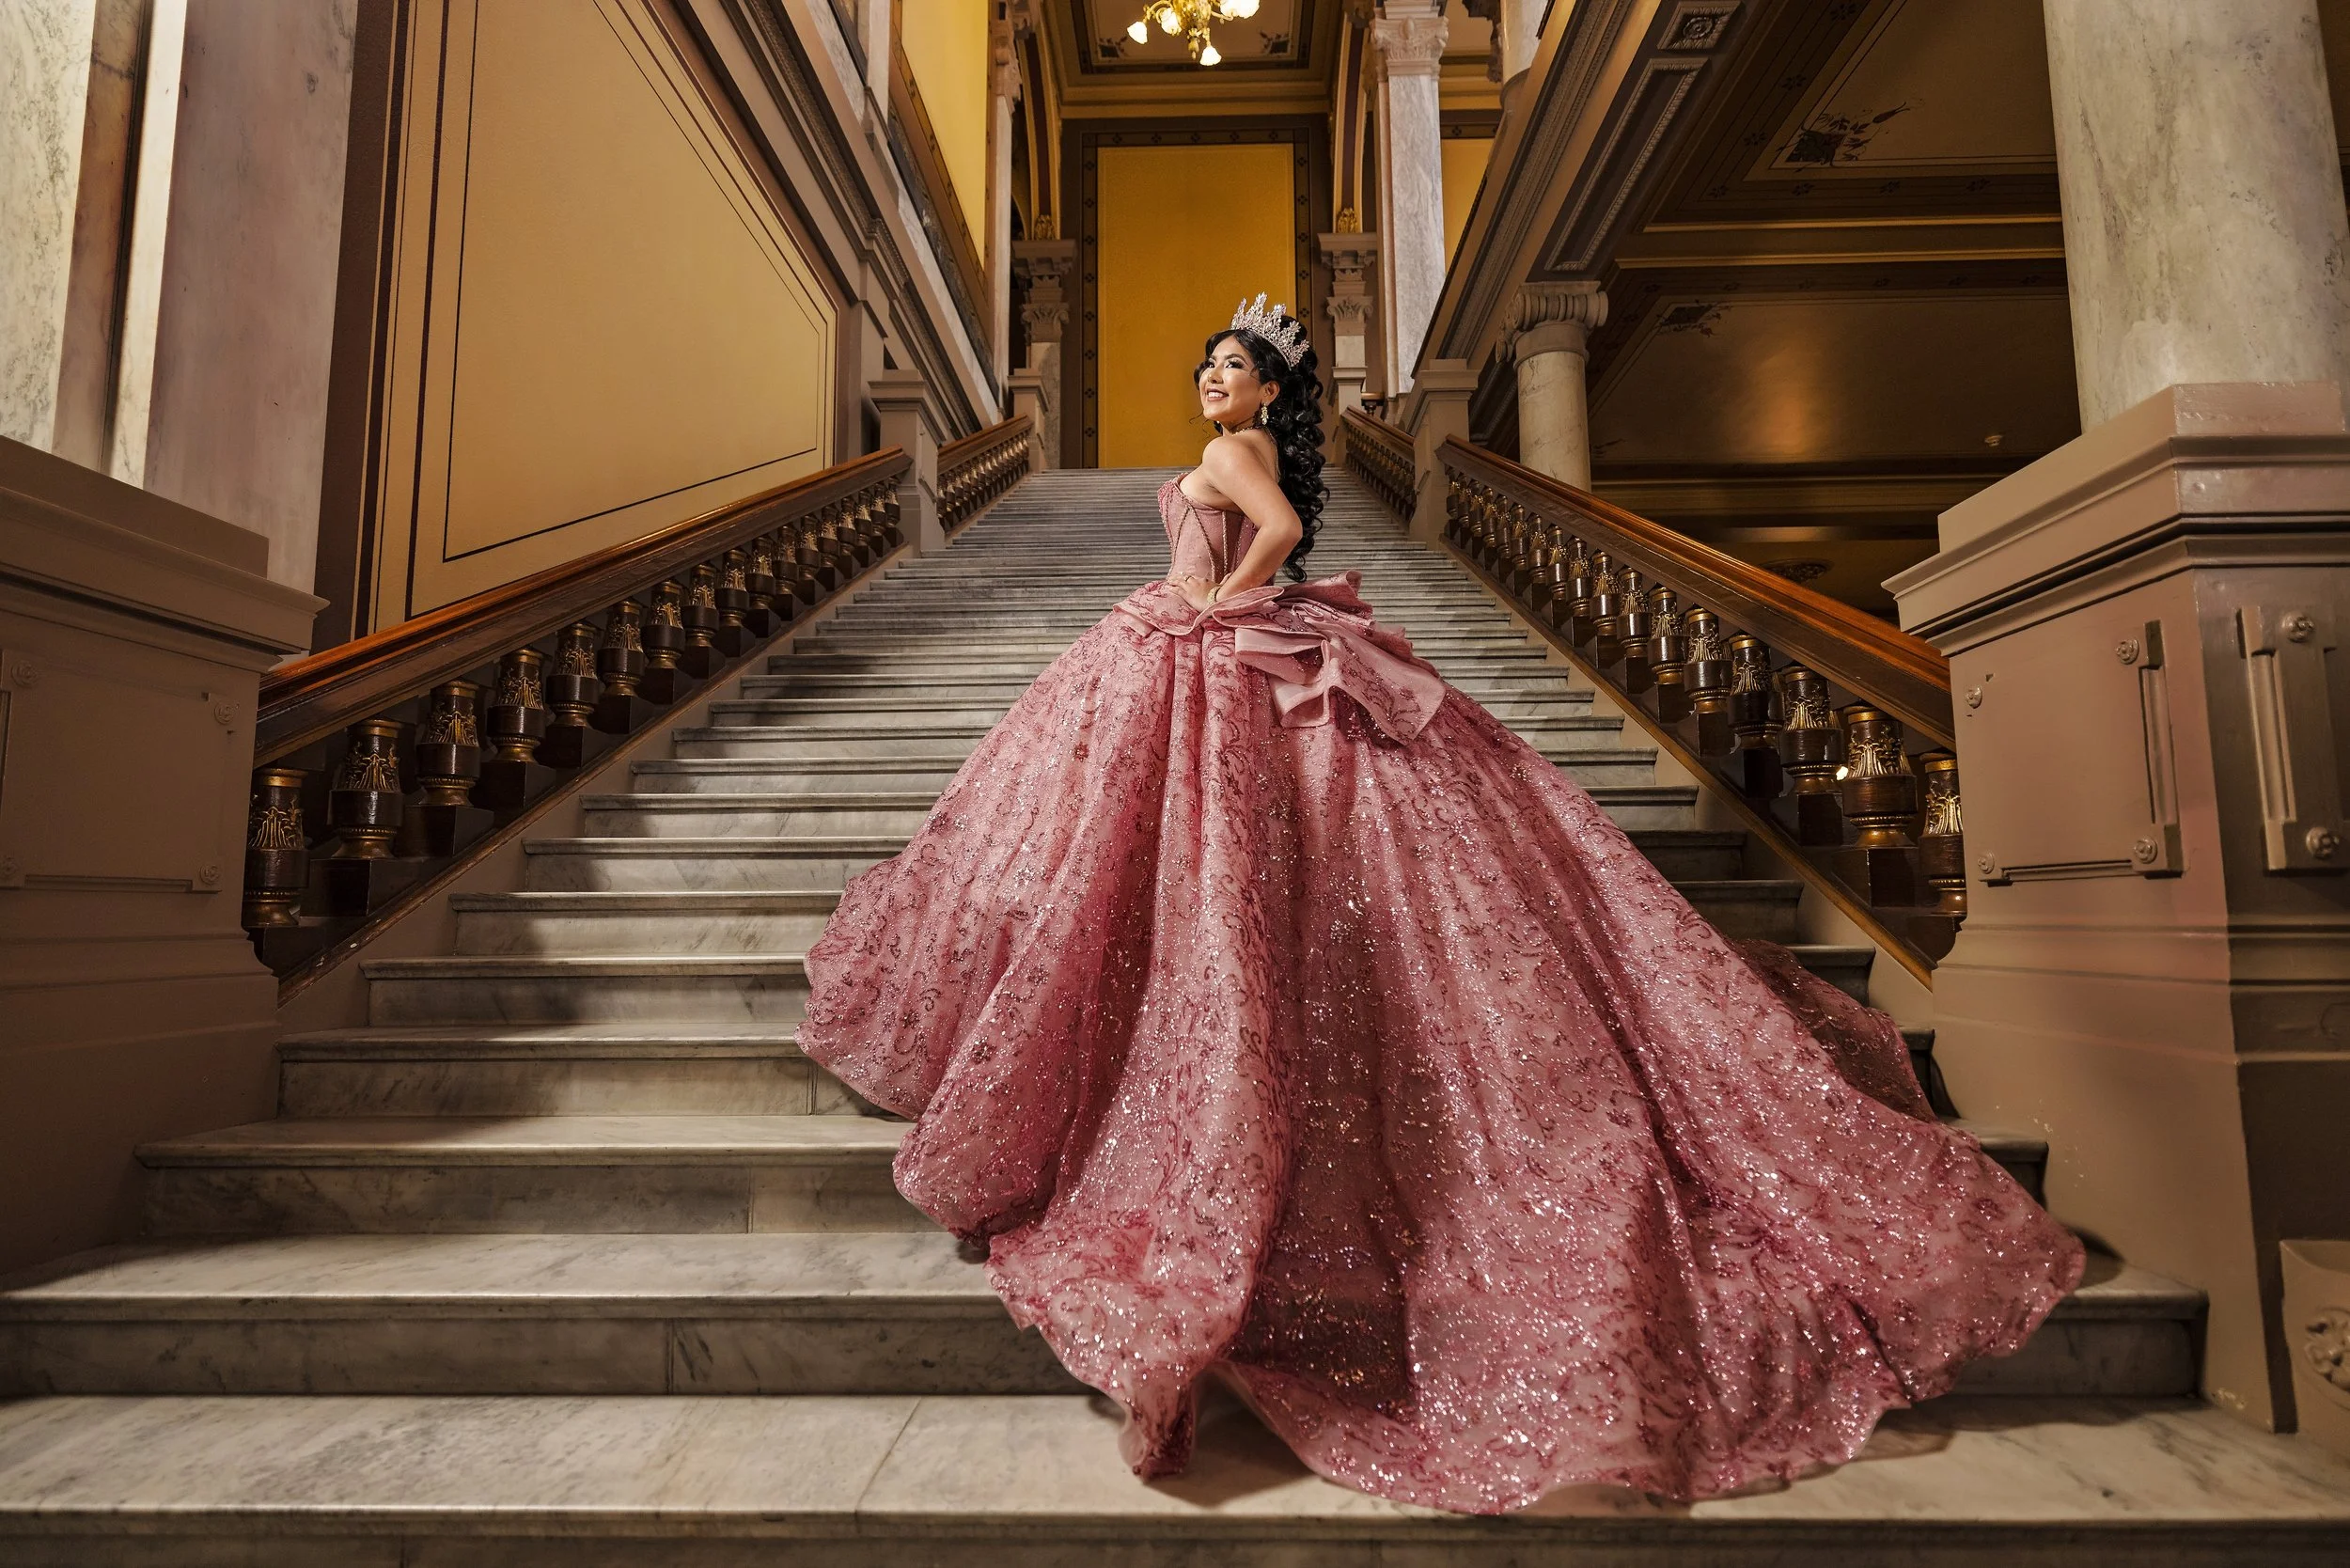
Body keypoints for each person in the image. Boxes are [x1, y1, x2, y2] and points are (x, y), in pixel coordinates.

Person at [799, 296, 2083, 1513]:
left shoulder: (1233, 453)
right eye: (1207, 364)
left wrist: (1205, 606)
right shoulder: (1237, 447)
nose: (1213, 380)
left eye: (1233, 367)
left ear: (1269, 392)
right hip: (1222, 654)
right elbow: (1276, 535)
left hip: (1220, 647)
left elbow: (1283, 540)